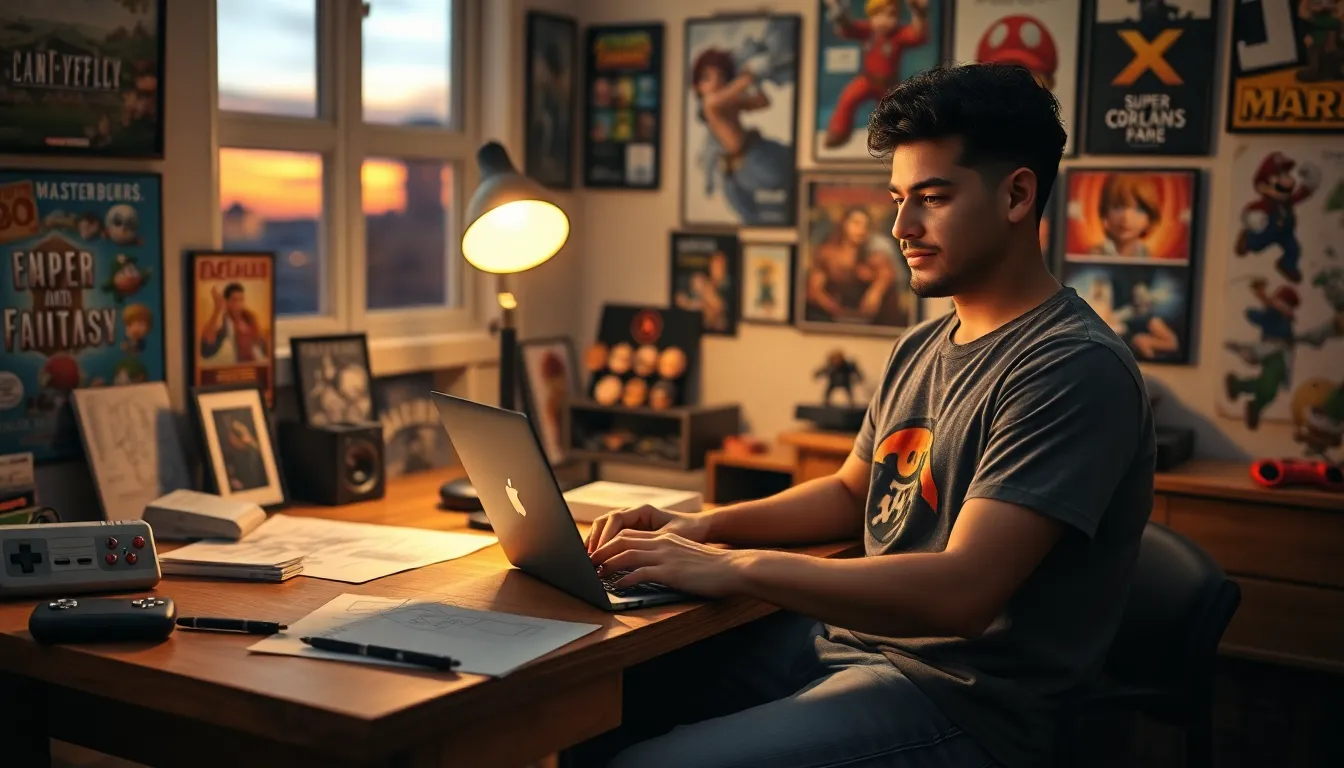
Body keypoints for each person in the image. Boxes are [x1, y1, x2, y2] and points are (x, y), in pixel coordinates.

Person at [572, 63, 1156, 768]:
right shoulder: (923, 344)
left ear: (1018, 195)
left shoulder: (1071, 366)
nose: (901, 226)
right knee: (585, 709)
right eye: (898, 198)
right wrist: (702, 525)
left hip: (965, 703)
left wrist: (735, 566)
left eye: (932, 198)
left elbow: (963, 592)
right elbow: (853, 492)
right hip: (851, 646)